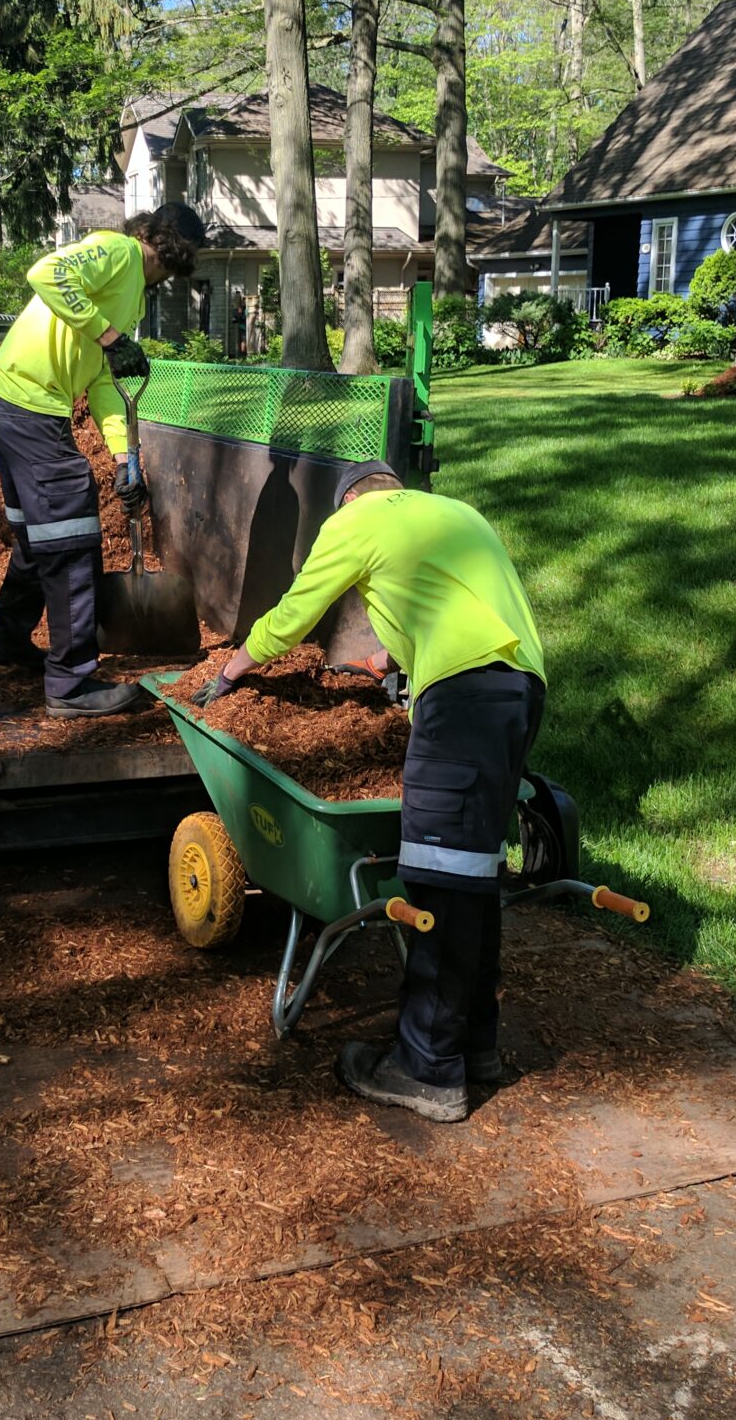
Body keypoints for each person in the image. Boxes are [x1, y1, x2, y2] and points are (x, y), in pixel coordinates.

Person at [194, 461, 546, 1122]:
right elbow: (460, 613)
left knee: (441, 881)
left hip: (463, 700)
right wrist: (390, 661)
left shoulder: (354, 520)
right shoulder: (453, 515)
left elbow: (298, 613)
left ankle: (426, 1070)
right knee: (475, 875)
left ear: (350, 498)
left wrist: (237, 665)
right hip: (520, 689)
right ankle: (474, 1047)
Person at [0, 203, 207, 718]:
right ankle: (70, 685)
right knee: (69, 538)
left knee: (40, 537)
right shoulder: (120, 252)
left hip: (14, 404)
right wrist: (108, 335)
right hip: (29, 407)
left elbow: (105, 382)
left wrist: (127, 457)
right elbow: (45, 272)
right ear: (175, 252)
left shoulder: (129, 301)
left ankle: (9, 641)